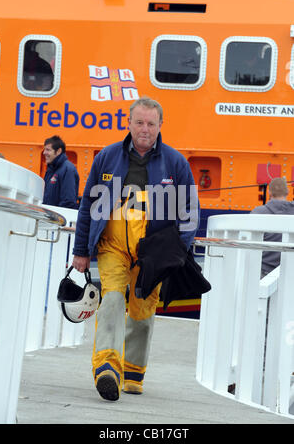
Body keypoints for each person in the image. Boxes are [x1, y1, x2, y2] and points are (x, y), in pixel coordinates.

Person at [72, 96, 202, 401]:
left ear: (160, 126)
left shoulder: (176, 163)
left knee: (143, 309)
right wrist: (81, 250)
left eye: (151, 123)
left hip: (153, 253)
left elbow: (190, 211)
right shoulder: (107, 157)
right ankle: (107, 367)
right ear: (129, 123)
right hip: (112, 246)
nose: (145, 129)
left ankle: (132, 372)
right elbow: (87, 206)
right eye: (139, 122)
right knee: (113, 300)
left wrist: (177, 252)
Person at [251, 177, 294, 277]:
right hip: (290, 272)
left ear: (269, 192)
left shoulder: (258, 212)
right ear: (287, 192)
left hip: (264, 272)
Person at [42, 135, 79, 209]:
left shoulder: (68, 170)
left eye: (48, 150)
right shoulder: (51, 169)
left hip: (58, 218)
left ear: (58, 151)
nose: (44, 153)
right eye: (44, 149)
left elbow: (68, 201)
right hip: (48, 217)